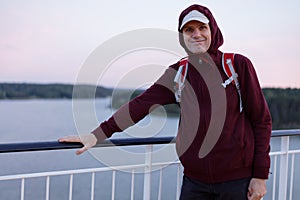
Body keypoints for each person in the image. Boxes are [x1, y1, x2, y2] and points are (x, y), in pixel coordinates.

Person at [59, 4, 272, 200]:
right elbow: (139, 106)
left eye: (202, 28)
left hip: (237, 181)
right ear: (182, 37)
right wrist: (97, 135)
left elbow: (261, 120)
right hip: (194, 182)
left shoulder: (236, 65)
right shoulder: (178, 73)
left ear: (212, 31)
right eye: (189, 30)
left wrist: (260, 175)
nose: (197, 34)